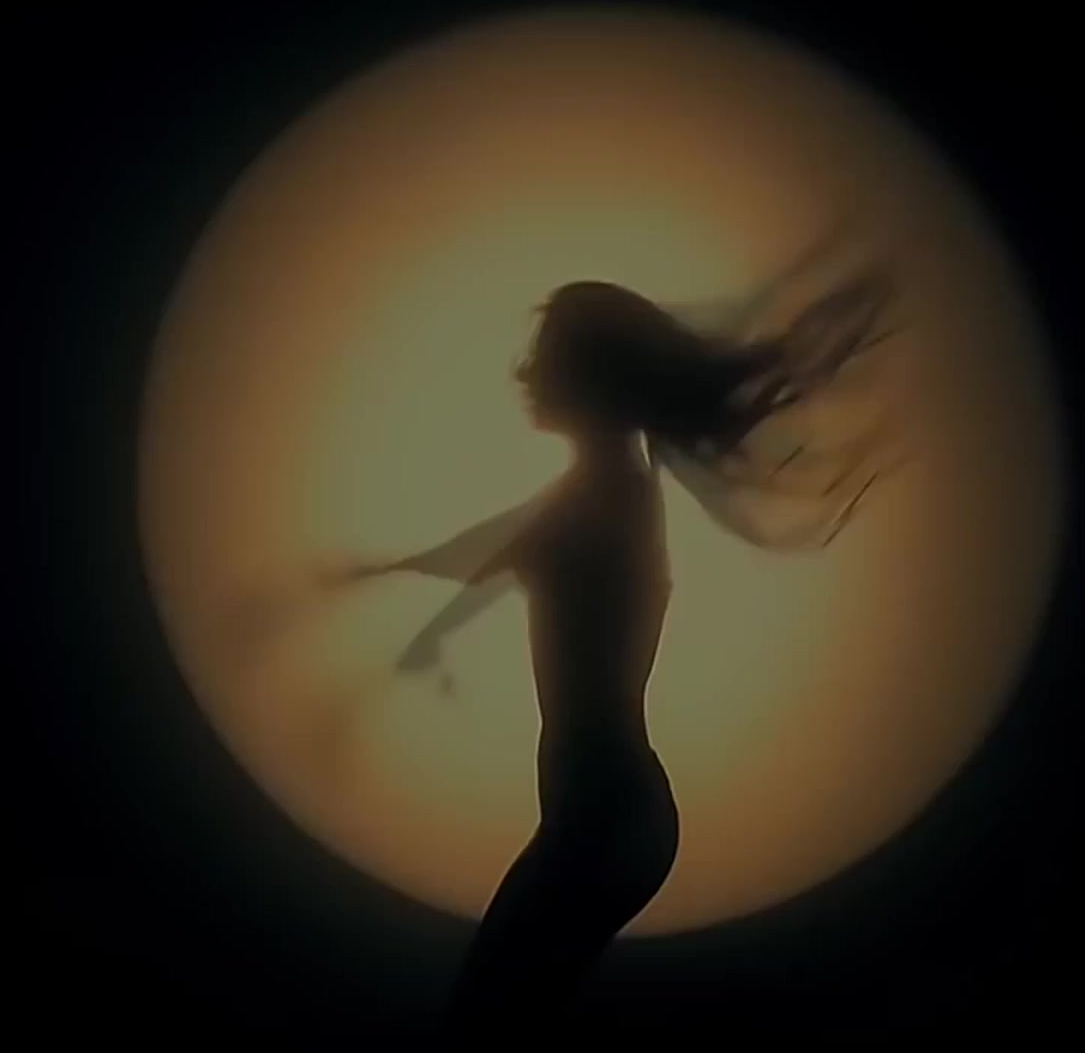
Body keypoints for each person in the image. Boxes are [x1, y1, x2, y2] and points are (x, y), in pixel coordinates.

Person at [322, 251, 907, 1033]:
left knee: (485, 1024)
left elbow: (496, 551)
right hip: (610, 818)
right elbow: (494, 552)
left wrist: (380, 585)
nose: (526, 373)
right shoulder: (600, 490)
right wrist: (380, 581)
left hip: (604, 820)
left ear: (589, 377)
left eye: (545, 356)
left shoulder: (604, 498)